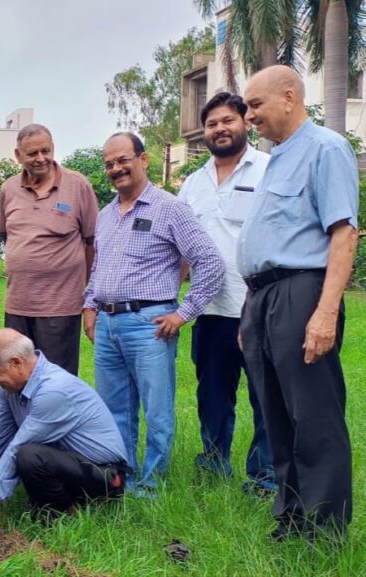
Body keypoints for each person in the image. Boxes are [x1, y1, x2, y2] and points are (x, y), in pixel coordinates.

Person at [238, 66, 358, 542]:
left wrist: (326, 311)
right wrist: (252, 312)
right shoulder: (278, 159)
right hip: (264, 297)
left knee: (312, 411)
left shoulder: (326, 149)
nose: (250, 116)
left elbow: (343, 234)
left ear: (289, 98)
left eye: (255, 105)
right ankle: (292, 514)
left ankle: (325, 526)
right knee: (276, 410)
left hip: (302, 292)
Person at [82, 132, 223, 493]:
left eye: (123, 160)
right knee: (114, 411)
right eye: (109, 163)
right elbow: (99, 267)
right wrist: (89, 304)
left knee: (156, 413)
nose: (116, 168)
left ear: (143, 160)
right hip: (108, 324)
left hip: (150, 325)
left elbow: (209, 263)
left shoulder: (169, 208)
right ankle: (121, 479)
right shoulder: (106, 215)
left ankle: (151, 486)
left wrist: (184, 312)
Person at [0, 329, 128, 535]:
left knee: (28, 455)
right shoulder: (11, 387)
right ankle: (52, 496)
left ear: (16, 362)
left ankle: (59, 513)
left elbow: (15, 449)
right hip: (67, 460)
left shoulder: (53, 391)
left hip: (105, 476)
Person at [177, 92, 275, 494]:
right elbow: (179, 248)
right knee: (213, 395)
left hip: (261, 307)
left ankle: (265, 474)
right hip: (210, 309)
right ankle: (214, 462)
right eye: (212, 123)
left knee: (266, 396)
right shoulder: (192, 184)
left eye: (227, 121)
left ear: (245, 123)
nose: (220, 129)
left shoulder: (269, 171)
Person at [0, 124, 98, 375]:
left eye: (46, 150)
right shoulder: (8, 189)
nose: (41, 158)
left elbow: (92, 242)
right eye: (32, 153)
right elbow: (10, 236)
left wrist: (84, 287)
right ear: (18, 156)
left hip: (60, 308)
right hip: (17, 305)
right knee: (16, 377)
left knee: (56, 381)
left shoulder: (78, 185)